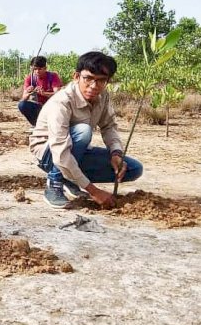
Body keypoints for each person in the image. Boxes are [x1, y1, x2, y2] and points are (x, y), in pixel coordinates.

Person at [30, 51, 143, 208]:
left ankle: (69, 179)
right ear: (76, 76)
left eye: (101, 80)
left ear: (108, 81)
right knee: (83, 131)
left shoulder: (103, 96)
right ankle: (55, 181)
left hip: (76, 152)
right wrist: (93, 191)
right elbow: (60, 150)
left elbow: (109, 126)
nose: (93, 86)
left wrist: (116, 153)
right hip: (49, 152)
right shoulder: (62, 101)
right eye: (88, 78)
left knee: (133, 168)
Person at [18, 56, 62, 126]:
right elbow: (24, 98)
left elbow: (58, 95)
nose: (37, 71)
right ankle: (37, 125)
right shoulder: (30, 79)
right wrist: (28, 92)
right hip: (40, 107)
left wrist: (44, 93)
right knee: (22, 105)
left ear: (45, 68)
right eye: (35, 69)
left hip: (53, 107)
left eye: (40, 69)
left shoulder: (53, 76)